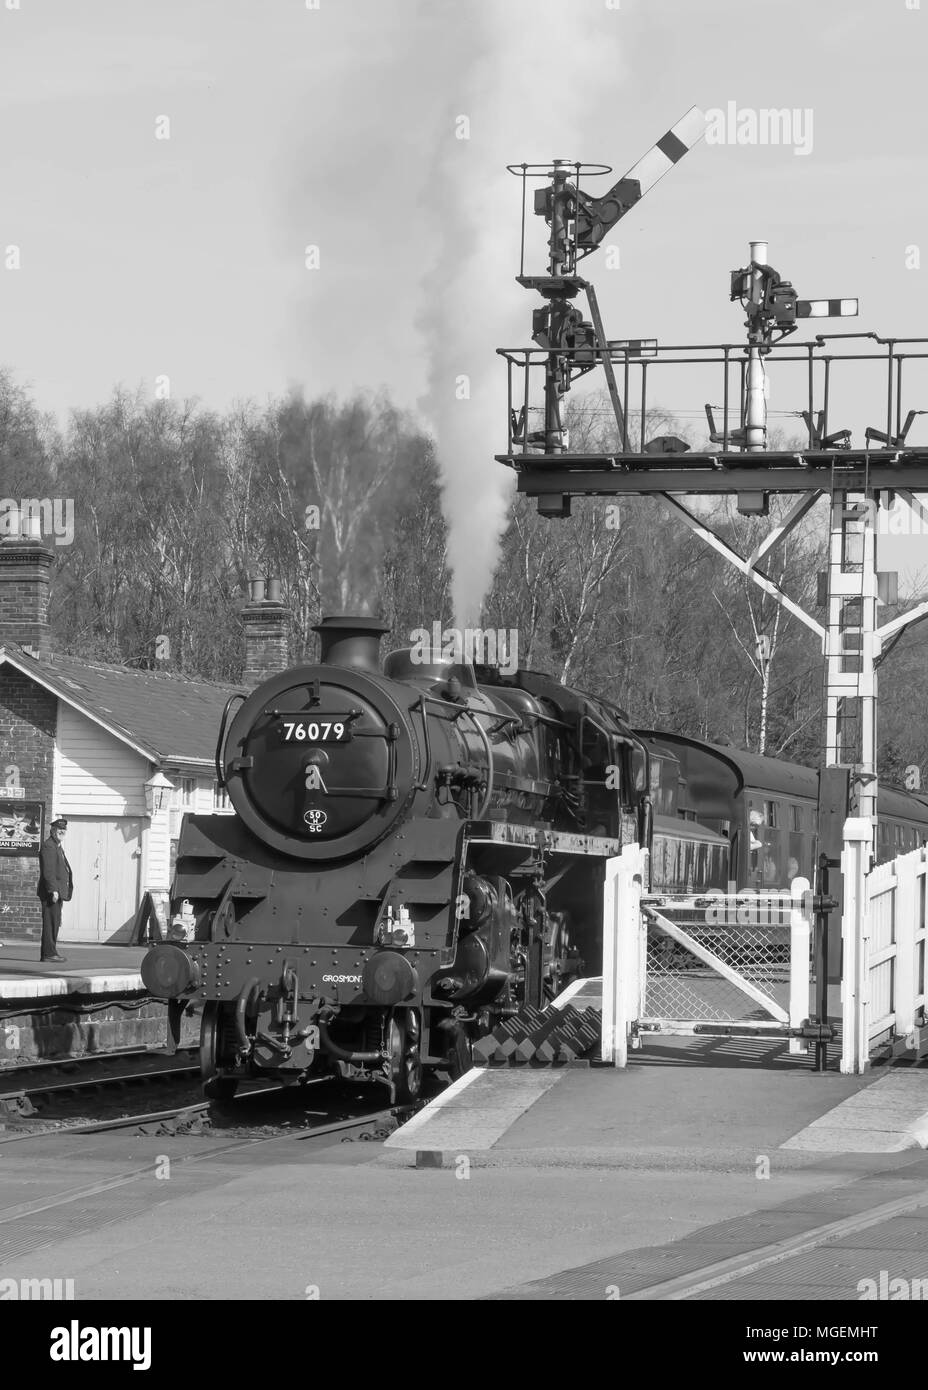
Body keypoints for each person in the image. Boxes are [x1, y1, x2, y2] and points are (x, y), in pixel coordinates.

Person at [37, 817, 72, 963]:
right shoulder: (49, 846)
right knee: (51, 923)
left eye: (64, 830)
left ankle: (50, 952)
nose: (61, 832)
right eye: (59, 830)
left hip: (57, 891)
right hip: (52, 893)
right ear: (52, 831)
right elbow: (48, 871)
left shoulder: (57, 845)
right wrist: (54, 890)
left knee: (54, 922)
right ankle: (48, 954)